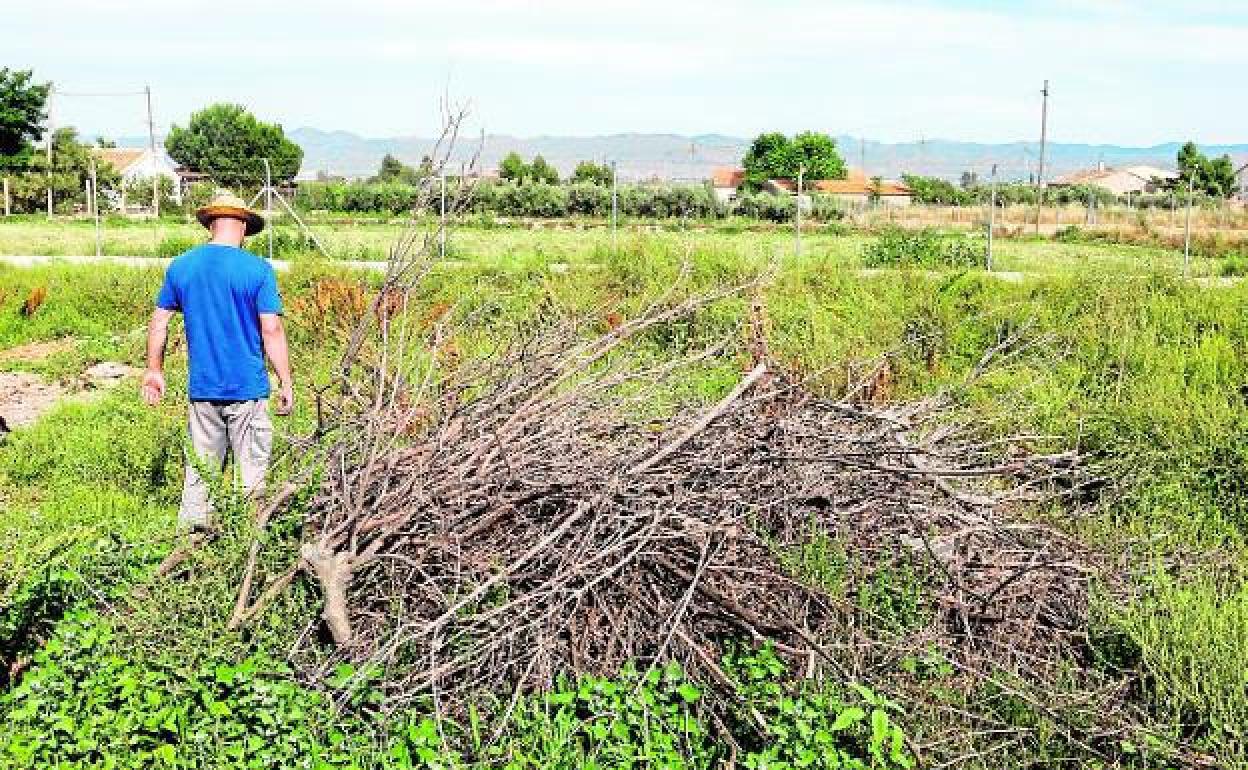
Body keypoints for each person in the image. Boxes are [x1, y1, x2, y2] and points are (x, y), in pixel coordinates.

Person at [141, 190, 293, 532]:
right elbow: (271, 329)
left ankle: (191, 547)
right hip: (248, 390)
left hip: (203, 391)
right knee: (251, 480)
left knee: (200, 478)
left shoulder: (181, 267)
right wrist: (285, 381)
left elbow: (159, 322)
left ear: (211, 225)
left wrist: (154, 370)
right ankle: (248, 545)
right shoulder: (258, 270)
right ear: (243, 226)